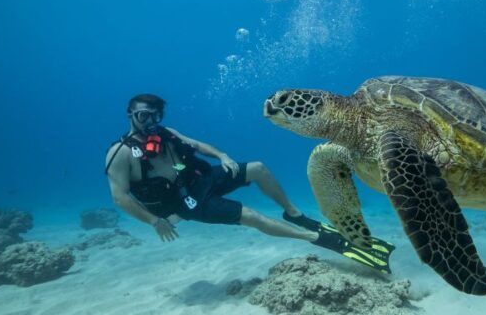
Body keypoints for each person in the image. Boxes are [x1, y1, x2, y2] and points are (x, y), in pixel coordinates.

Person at [105, 93, 342, 248]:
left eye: (156, 115)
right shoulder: (120, 153)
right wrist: (154, 221)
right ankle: (315, 238)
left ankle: (293, 213)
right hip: (182, 203)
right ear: (130, 115)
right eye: (144, 115)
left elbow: (196, 145)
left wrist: (222, 155)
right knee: (251, 216)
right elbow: (120, 197)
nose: (151, 121)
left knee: (257, 168)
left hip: (195, 180)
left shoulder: (167, 133)